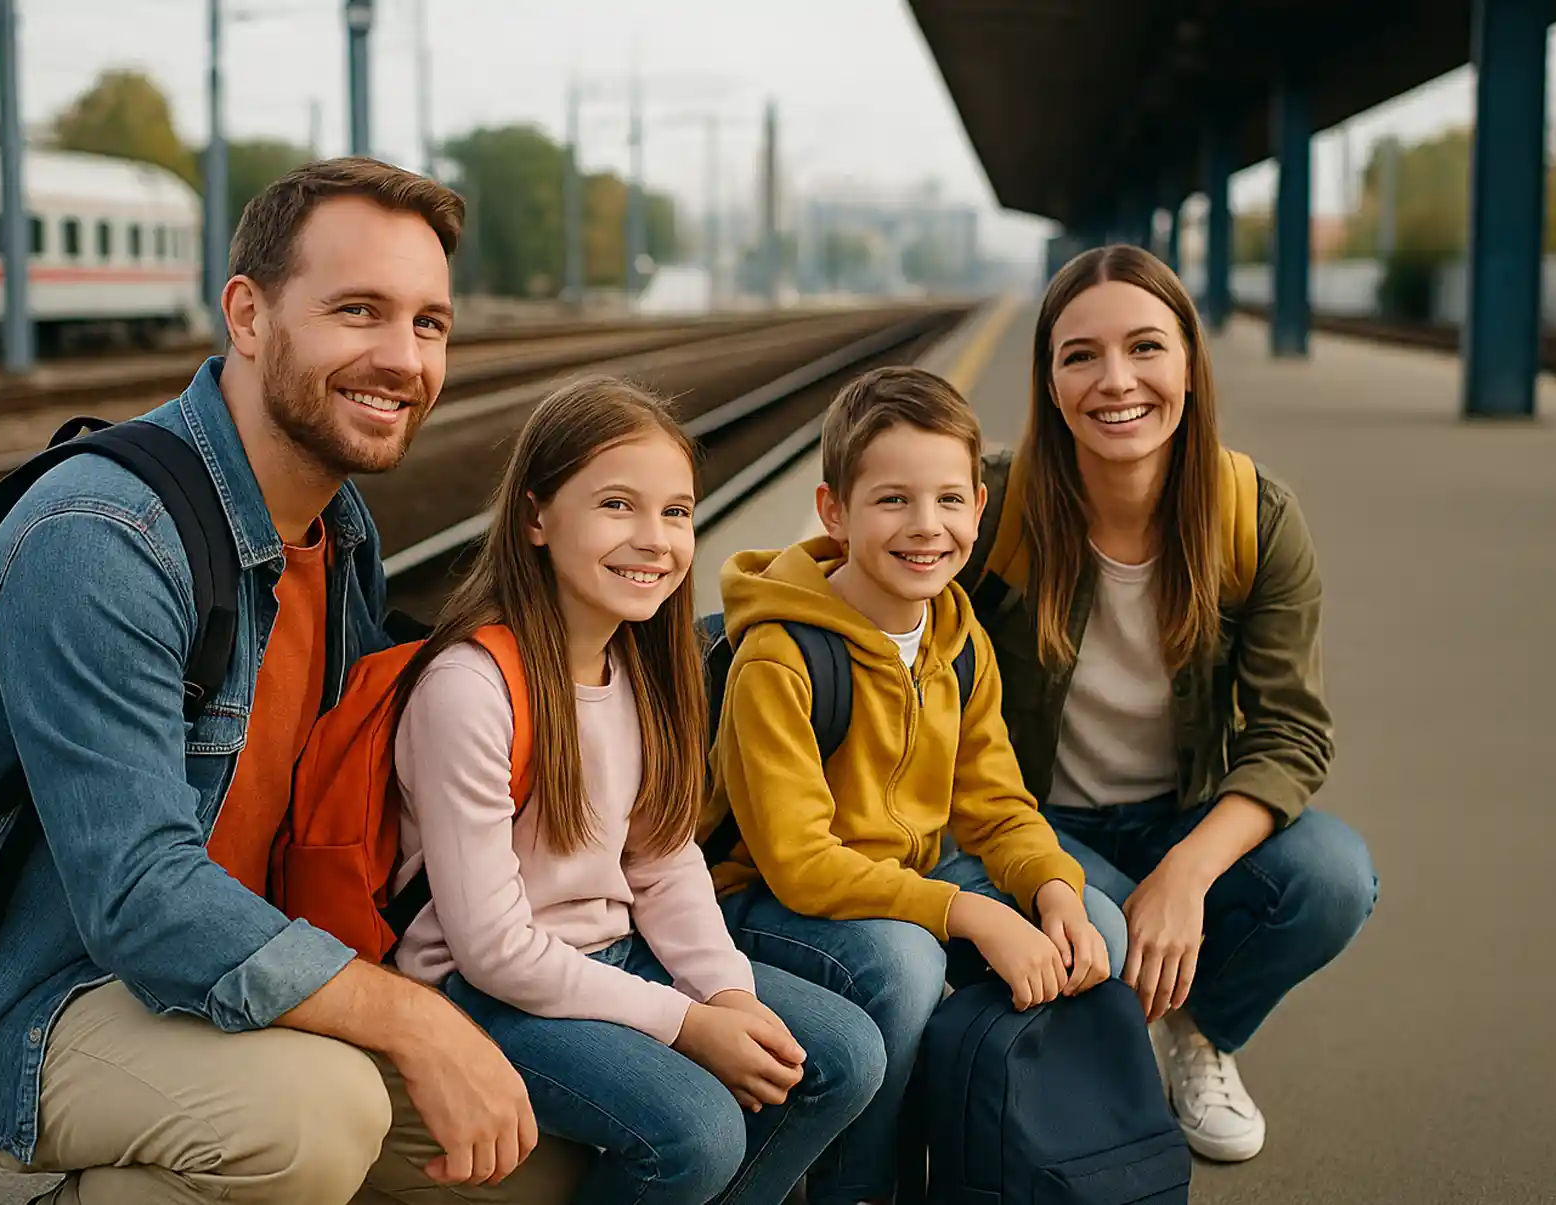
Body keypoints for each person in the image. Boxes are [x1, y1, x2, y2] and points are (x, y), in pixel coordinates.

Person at [0, 158, 587, 1204]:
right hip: (40, 995)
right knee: (309, 1120)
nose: (402, 358)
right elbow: (138, 895)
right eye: (358, 311)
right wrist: (411, 1016)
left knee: (545, 1164)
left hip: (238, 964)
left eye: (429, 323)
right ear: (246, 315)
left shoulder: (339, 532)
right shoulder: (101, 539)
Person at [387, 376, 885, 1205]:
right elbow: (494, 950)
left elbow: (663, 861)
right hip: (485, 992)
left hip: (612, 952)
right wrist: (686, 1022)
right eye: (617, 505)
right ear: (535, 518)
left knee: (844, 1055)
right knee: (695, 1130)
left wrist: (724, 989)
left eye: (677, 512)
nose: (654, 539)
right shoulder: (471, 688)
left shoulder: (641, 667)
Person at [956, 243, 1379, 1163]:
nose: (1116, 381)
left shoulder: (1250, 514)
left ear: (1189, 361)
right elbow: (861, 569)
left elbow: (1290, 732)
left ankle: (1197, 1035)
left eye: (1145, 347)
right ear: (1049, 378)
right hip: (1024, 818)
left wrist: (1185, 873)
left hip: (1180, 811)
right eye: (1080, 355)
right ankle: (1109, 1057)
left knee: (1333, 878)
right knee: (1099, 928)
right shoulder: (992, 506)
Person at [703, 365, 1127, 1205]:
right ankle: (860, 1185)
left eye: (947, 500)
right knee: (902, 964)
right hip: (771, 900)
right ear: (834, 510)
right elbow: (799, 863)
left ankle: (983, 1155)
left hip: (909, 873)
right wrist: (969, 913)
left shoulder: (956, 636)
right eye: (892, 500)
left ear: (976, 502)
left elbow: (996, 802)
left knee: (1097, 929)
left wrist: (1053, 889)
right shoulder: (781, 656)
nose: (925, 527)